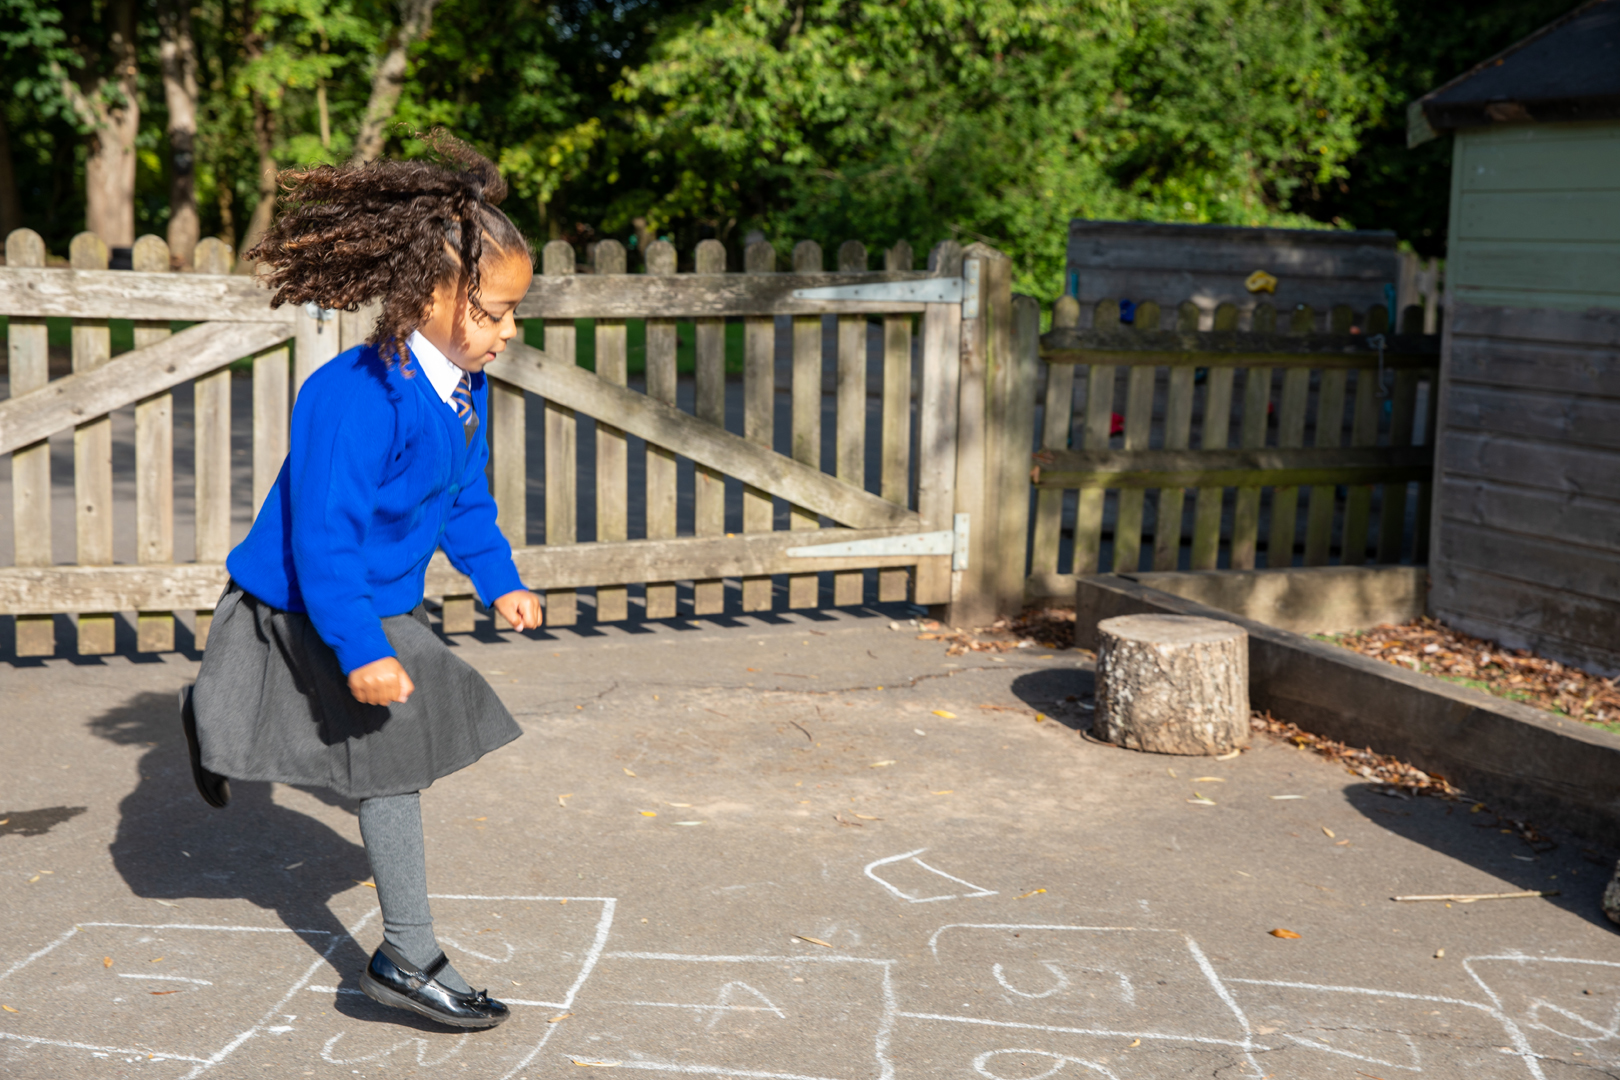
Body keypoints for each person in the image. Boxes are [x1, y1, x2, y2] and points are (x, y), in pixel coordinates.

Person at [178, 132, 541, 1031]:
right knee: (391, 760)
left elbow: (465, 499)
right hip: (306, 597)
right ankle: (407, 958)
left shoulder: (462, 387)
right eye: (495, 312)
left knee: (379, 751)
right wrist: (363, 649)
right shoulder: (353, 397)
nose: (509, 332)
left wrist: (499, 579)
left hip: (371, 600)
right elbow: (324, 542)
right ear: (428, 297)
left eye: (512, 314)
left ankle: (215, 713)